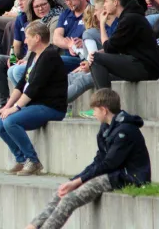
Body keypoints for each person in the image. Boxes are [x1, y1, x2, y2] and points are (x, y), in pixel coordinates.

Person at [28, 89, 151, 229]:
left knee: (69, 199)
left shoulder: (125, 131)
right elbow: (99, 159)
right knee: (61, 191)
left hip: (130, 177)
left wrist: (79, 182)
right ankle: (32, 226)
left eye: (95, 110)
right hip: (112, 174)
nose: (93, 114)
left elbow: (109, 164)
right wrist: (75, 180)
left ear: (104, 110)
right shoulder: (106, 127)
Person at [0, 22, 67, 176]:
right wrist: (7, 106)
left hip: (51, 107)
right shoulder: (34, 55)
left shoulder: (50, 56)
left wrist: (16, 108)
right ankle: (22, 159)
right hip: (35, 105)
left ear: (37, 38)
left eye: (27, 37)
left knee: (11, 121)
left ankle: (33, 160)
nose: (25, 41)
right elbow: (22, 84)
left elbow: (34, 87)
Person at [88, 0, 159, 89]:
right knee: (97, 66)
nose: (104, 5)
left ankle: (105, 103)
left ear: (115, 3)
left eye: (106, 1)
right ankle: (103, 100)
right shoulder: (129, 16)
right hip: (141, 65)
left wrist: (102, 24)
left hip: (145, 67)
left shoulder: (129, 19)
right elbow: (114, 48)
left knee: (96, 59)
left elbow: (109, 48)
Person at [52, 0, 88, 72]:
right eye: (66, 0)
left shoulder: (91, 12)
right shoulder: (66, 13)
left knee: (51, 61)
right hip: (67, 56)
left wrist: (83, 43)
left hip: (82, 59)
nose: (68, 3)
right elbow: (56, 38)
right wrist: (69, 45)